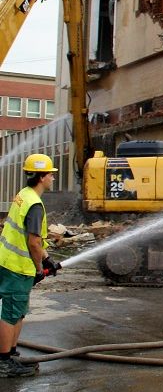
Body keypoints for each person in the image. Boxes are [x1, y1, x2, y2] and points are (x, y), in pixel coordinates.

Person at [0, 153, 60, 378]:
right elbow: (33, 241)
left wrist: (46, 260)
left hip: (6, 260)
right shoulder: (35, 204)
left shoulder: (23, 195)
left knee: (17, 311)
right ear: (42, 177)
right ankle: (4, 362)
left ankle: (11, 354)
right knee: (11, 312)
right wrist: (38, 267)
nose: (53, 179)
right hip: (17, 267)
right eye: (50, 175)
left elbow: (30, 238)